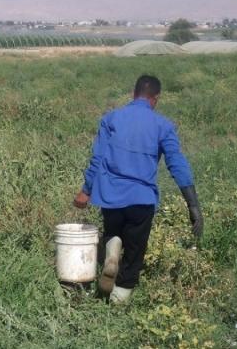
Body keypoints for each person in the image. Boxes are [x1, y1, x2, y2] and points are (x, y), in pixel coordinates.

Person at [73, 75, 203, 304]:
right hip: (141, 199)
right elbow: (176, 163)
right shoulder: (163, 125)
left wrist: (86, 190)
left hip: (110, 195)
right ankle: (118, 299)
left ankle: (112, 246)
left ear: (133, 94)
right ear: (156, 99)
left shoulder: (111, 118)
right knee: (134, 252)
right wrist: (192, 204)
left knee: (113, 229)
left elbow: (98, 158)